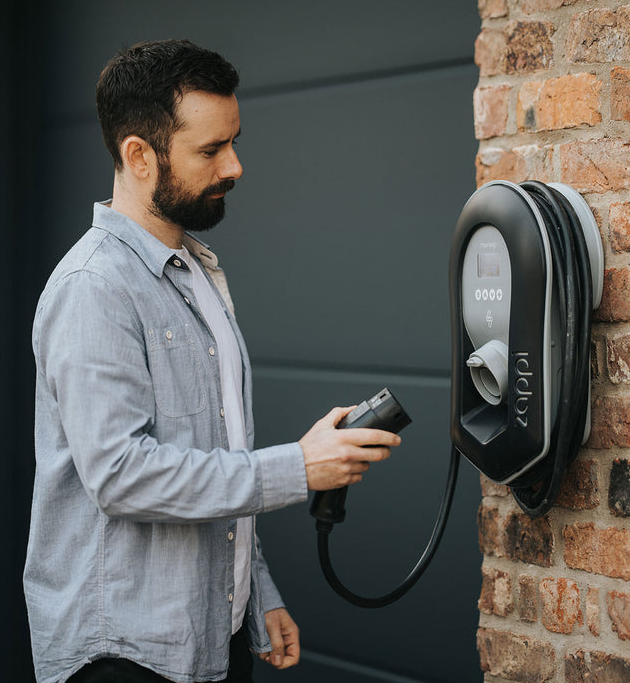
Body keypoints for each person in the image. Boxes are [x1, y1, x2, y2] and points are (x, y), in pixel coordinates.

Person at [23, 39, 401, 683]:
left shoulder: (198, 274)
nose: (235, 166)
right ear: (138, 156)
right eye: (210, 150)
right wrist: (298, 467)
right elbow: (120, 475)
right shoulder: (94, 287)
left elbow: (213, 453)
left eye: (233, 141)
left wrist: (256, 593)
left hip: (213, 635)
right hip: (124, 653)